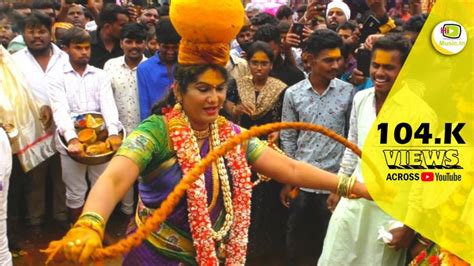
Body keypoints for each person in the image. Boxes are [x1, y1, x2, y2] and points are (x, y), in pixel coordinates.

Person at [46, 1, 370, 264]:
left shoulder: (228, 134)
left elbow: (291, 168)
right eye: (203, 88)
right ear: (178, 89)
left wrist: (352, 186)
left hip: (211, 256)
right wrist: (91, 222)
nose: (214, 98)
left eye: (219, 88)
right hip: (154, 256)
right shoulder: (156, 132)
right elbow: (115, 177)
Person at [318, 34, 414, 266]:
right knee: (335, 257)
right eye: (376, 65)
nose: (380, 73)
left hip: (390, 211)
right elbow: (352, 147)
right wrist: (339, 186)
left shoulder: (419, 112)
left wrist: (409, 228)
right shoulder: (361, 98)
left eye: (389, 67)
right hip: (354, 197)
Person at [280, 29, 354, 265]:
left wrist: (343, 183)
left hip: (333, 182)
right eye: (328, 60)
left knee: (330, 242)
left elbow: (352, 139)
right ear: (309, 59)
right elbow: (288, 136)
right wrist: (288, 178)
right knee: (297, 241)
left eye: (338, 59)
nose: (335, 65)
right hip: (301, 182)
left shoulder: (348, 92)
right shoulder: (293, 94)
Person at [47, 27, 123, 224]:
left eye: (87, 48)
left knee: (101, 185)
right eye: (78, 48)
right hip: (70, 141)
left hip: (101, 141)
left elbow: (108, 105)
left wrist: (113, 133)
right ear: (66, 50)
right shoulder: (57, 77)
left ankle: (96, 230)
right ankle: (77, 230)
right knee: (75, 190)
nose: (84, 52)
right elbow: (60, 110)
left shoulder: (100, 75)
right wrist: (72, 139)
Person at [225, 41, 288, 262]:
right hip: (240, 147)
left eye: (264, 63)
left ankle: (261, 251)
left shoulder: (281, 89)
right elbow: (226, 108)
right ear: (248, 63)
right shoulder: (236, 84)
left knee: (265, 202)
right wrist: (236, 109)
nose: (259, 68)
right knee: (238, 196)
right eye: (255, 63)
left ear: (272, 65)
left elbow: (284, 119)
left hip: (267, 149)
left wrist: (277, 133)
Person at [11, 11, 68, 231]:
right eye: (31, 31)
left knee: (62, 176)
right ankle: (35, 220)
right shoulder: (14, 62)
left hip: (63, 129)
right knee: (35, 179)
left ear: (50, 32)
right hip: (31, 129)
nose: (36, 36)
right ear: (23, 34)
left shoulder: (64, 57)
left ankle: (62, 216)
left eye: (41, 31)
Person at [104, 23, 149, 218]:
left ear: (145, 44)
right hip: (118, 131)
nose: (134, 46)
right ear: (121, 43)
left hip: (144, 131)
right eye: (129, 41)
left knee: (144, 177)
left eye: (139, 42)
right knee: (120, 175)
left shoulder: (150, 68)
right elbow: (104, 98)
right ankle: (124, 215)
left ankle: (140, 219)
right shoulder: (110, 66)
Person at [137, 18, 180, 120]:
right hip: (157, 123)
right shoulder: (144, 68)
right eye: (166, 47)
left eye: (175, 47)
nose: (170, 52)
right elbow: (144, 106)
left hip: (184, 126)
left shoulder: (186, 65)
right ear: (158, 44)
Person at [89, 4, 129, 68]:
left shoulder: (129, 43)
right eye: (122, 25)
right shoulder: (86, 42)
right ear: (107, 27)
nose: (126, 28)